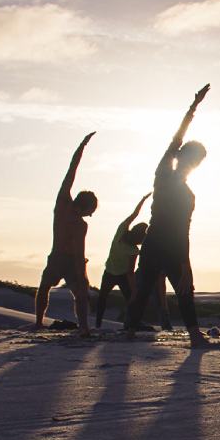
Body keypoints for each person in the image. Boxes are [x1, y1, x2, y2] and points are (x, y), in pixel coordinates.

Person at [124, 84, 213, 347]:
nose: (195, 164)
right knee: (145, 289)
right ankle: (131, 330)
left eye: (198, 161)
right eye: (194, 158)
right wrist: (192, 108)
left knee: (183, 289)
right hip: (159, 242)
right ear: (183, 155)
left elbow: (183, 229)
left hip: (170, 244)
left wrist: (185, 263)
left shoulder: (186, 191)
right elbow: (174, 141)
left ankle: (194, 334)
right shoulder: (164, 173)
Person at [32, 133, 99, 334]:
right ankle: (82, 326)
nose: (91, 215)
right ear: (86, 206)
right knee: (76, 291)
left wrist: (81, 147)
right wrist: (82, 273)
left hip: (61, 257)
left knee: (49, 288)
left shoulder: (63, 208)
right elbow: (71, 172)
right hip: (66, 258)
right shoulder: (73, 217)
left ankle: (41, 323)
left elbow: (71, 171)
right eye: (91, 211)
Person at [94, 192, 150, 327]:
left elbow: (134, 215)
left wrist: (142, 199)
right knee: (131, 299)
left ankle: (97, 324)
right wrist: (134, 289)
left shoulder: (121, 231)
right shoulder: (134, 250)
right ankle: (132, 323)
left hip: (109, 272)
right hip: (122, 276)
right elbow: (130, 272)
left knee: (102, 298)